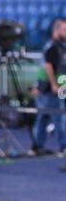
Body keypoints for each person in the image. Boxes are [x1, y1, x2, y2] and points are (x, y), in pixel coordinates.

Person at [30, 19, 66, 156]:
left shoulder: (60, 46)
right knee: (59, 118)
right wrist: (54, 84)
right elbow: (48, 66)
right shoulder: (52, 46)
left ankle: (37, 146)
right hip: (49, 90)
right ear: (56, 30)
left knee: (43, 118)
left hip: (51, 89)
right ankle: (64, 146)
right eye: (64, 29)